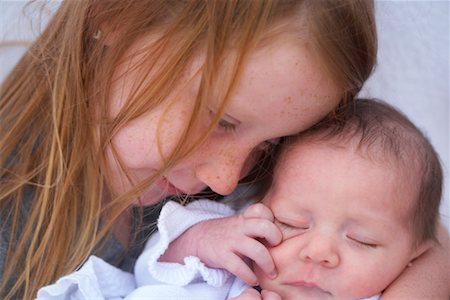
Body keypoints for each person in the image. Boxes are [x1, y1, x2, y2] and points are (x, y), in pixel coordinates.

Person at [0, 1, 447, 299]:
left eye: (271, 144)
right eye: (222, 122)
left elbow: (421, 236)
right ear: (119, 14)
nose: (228, 180)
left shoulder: (271, 171)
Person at [36, 98, 445, 300]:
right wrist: (199, 243)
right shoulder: (235, 251)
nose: (319, 252)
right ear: (259, 202)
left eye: (362, 240)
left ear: (414, 256)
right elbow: (149, 272)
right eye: (291, 223)